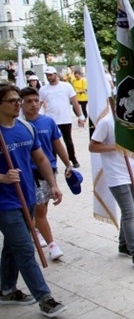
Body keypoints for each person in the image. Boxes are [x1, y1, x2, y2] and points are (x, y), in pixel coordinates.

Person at [0, 83, 67, 317]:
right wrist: (2, 177)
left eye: (19, 99)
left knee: (12, 246)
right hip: (4, 203)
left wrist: (54, 185)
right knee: (25, 248)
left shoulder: (25, 128)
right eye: (13, 101)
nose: (19, 104)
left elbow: (40, 159)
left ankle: (6, 289)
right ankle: (45, 297)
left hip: (26, 196)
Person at [89, 111, 134, 269]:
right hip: (116, 174)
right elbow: (92, 146)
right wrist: (116, 146)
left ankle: (123, 244)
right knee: (128, 212)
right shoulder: (106, 122)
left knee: (129, 210)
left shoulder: (133, 118)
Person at [19, 87, 73, 262]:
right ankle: (51, 244)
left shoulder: (48, 122)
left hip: (49, 169)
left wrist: (68, 163)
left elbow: (57, 144)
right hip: (29, 173)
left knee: (43, 207)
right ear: (21, 104)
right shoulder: (19, 125)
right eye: (29, 101)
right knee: (40, 208)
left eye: (36, 101)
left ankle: (36, 228)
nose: (33, 105)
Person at [39, 66, 85, 168]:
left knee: (68, 141)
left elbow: (75, 102)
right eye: (47, 75)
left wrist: (80, 116)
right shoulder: (43, 89)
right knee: (52, 143)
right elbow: (40, 103)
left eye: (50, 75)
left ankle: (73, 159)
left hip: (65, 118)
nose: (49, 77)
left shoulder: (66, 86)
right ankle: (53, 162)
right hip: (50, 120)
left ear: (55, 74)